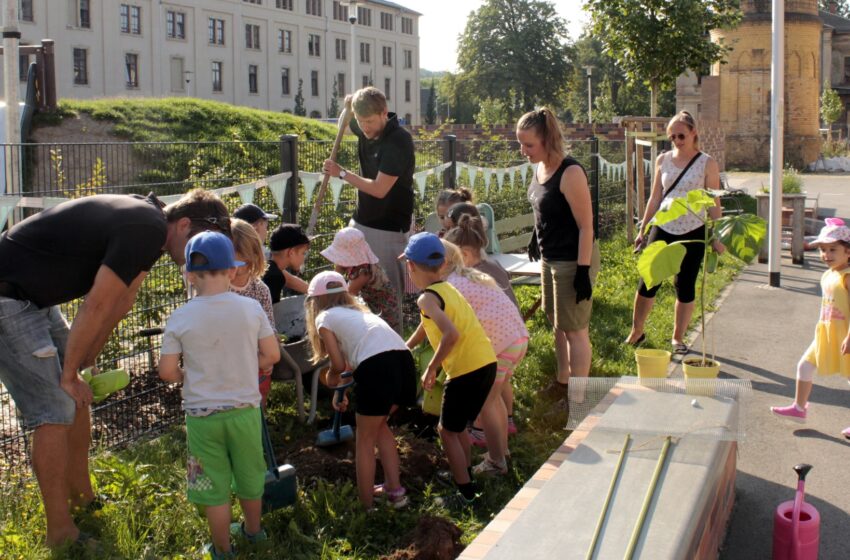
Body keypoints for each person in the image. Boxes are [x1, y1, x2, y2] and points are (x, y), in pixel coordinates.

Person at [0, 189, 229, 548]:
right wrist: (68, 373)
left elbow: (121, 302)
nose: (193, 257)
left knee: (78, 400)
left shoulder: (149, 224)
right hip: (9, 299)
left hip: (35, 299)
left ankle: (83, 499)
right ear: (182, 224)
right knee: (54, 409)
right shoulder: (147, 227)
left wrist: (85, 363)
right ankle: (59, 532)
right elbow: (95, 305)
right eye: (196, 244)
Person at [159, 231, 280, 559]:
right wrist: (245, 364)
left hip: (202, 418)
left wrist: (188, 375)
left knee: (212, 486)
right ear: (231, 270)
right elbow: (272, 355)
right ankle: (254, 532)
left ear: (189, 273)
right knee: (250, 472)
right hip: (245, 411)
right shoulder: (251, 308)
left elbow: (167, 372)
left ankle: (223, 549)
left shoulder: (180, 316)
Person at [304, 270, 416, 510]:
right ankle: (395, 491)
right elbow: (356, 366)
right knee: (380, 427)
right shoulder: (359, 315)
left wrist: (332, 378)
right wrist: (341, 393)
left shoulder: (324, 318)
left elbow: (338, 364)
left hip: (377, 368)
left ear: (315, 301)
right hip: (404, 363)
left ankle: (366, 505)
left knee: (364, 439)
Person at [402, 232, 497, 507]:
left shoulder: (425, 299)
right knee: (456, 428)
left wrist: (431, 368)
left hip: (465, 369)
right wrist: (406, 345)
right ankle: (464, 474)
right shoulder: (447, 289)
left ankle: (465, 494)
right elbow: (428, 323)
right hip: (486, 362)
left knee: (446, 431)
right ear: (443, 264)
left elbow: (450, 334)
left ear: (410, 267)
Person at [517, 107, 600, 403]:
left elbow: (586, 226)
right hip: (550, 258)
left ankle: (578, 398)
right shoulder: (540, 168)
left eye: (529, 145)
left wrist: (583, 270)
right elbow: (544, 210)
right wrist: (533, 238)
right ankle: (562, 382)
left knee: (575, 329)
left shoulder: (571, 172)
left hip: (573, 259)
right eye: (521, 143)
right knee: (557, 324)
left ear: (548, 140)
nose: (523, 150)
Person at [624, 111, 724, 354]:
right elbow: (656, 196)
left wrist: (717, 235)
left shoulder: (707, 163)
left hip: (694, 229)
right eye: (672, 137)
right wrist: (644, 227)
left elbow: (713, 201)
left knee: (685, 285)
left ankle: (677, 338)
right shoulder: (663, 160)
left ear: (693, 133)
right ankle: (637, 331)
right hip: (664, 226)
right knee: (648, 281)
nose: (677, 141)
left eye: (681, 135)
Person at [322, 87, 415, 331]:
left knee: (387, 298)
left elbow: (379, 189)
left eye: (370, 121)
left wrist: (341, 173)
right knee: (350, 289)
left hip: (388, 229)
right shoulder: (364, 124)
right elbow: (347, 118)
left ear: (384, 113)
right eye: (361, 121)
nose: (365, 128)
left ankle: (394, 350)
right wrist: (349, 102)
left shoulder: (398, 141)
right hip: (361, 223)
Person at [441, 239, 528, 474]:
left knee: (486, 402)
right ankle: (501, 451)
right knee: (495, 398)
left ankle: (496, 462)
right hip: (516, 339)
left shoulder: (451, 286)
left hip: (499, 344)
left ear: (442, 264)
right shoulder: (469, 275)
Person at [771, 218, 850, 437]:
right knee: (805, 366)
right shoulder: (829, 273)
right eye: (823, 250)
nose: (826, 255)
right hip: (826, 333)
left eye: (833, 249)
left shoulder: (847, 277)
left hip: (845, 334)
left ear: (848, 251)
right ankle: (799, 408)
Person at [230, 218, 277, 405]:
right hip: (229, 363)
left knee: (258, 401)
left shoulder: (260, 289)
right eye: (234, 264)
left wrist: (267, 358)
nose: (241, 270)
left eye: (247, 263)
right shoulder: (218, 287)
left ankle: (258, 425)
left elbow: (270, 328)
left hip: (257, 360)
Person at [320, 226, 400, 333]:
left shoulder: (364, 271)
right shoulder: (351, 262)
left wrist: (327, 305)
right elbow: (335, 278)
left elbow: (347, 295)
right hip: (370, 305)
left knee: (378, 339)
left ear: (350, 254)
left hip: (383, 311)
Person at [444, 211, 520, 310]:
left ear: (464, 254)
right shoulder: (493, 263)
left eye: (451, 260)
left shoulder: (472, 278)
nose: (451, 266)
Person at [262, 223, 310, 303]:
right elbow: (269, 312)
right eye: (303, 253)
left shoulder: (268, 268)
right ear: (291, 252)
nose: (303, 258)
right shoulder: (275, 277)